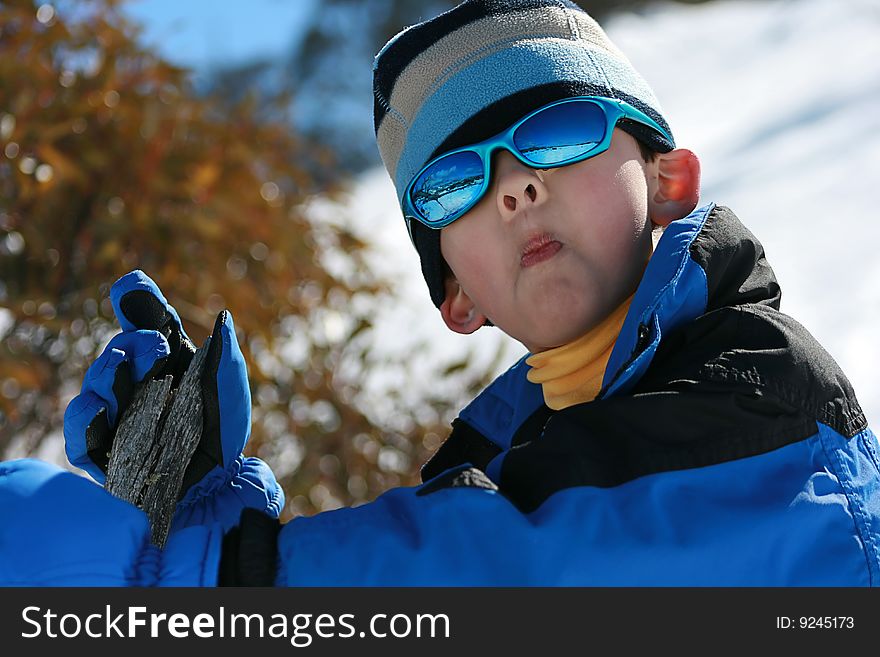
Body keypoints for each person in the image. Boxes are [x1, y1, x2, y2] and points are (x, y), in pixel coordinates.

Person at [2, 0, 879, 586]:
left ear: (670, 178)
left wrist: (217, 573)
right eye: (455, 183)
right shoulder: (517, 464)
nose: (514, 185)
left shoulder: (762, 390)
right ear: (458, 296)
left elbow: (529, 575)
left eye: (559, 128)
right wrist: (202, 513)